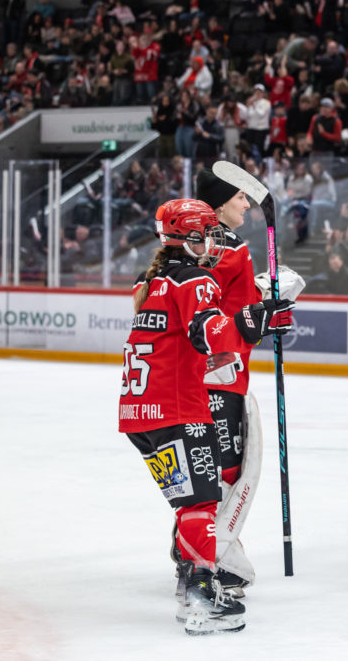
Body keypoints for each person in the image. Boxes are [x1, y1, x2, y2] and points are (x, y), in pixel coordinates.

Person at [119, 198, 293, 634]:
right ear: (189, 239)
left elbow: (190, 342)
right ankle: (201, 595)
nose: (215, 243)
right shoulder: (194, 279)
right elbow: (210, 334)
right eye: (208, 235)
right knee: (200, 502)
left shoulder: (153, 280)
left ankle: (191, 582)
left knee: (189, 502)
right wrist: (254, 319)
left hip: (140, 411)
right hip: (178, 408)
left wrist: (255, 318)